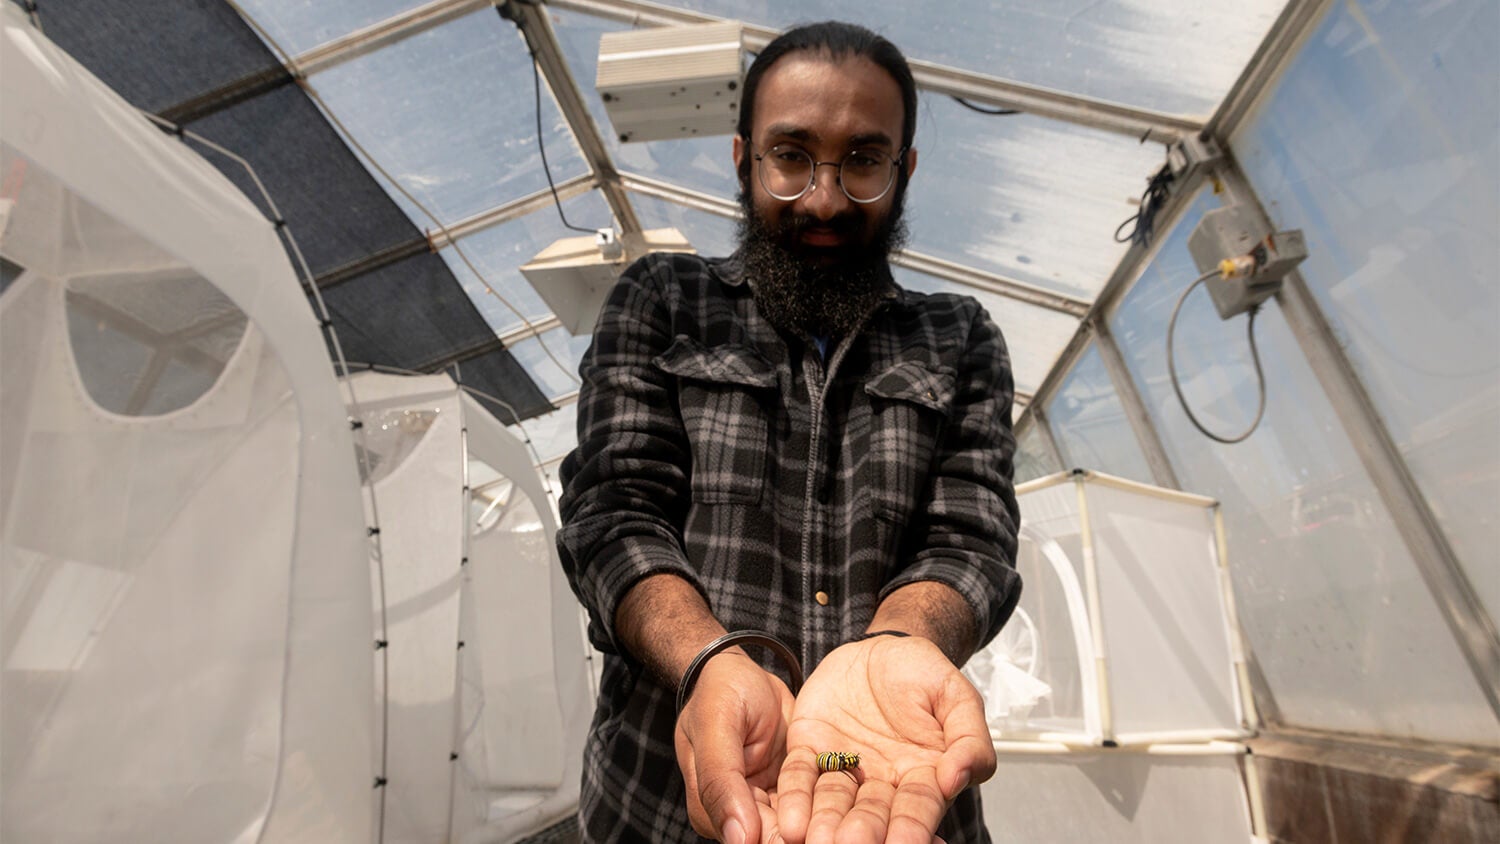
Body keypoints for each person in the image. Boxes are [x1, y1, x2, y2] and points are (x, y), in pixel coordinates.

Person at [557, 20, 1021, 844]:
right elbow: (614, 514)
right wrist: (707, 660)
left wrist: (899, 644)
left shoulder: (959, 337)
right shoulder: (663, 301)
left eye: (864, 161)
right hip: (662, 799)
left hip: (884, 775)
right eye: (793, 155)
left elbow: (971, 538)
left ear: (904, 170)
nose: (825, 198)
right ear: (745, 159)